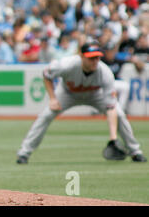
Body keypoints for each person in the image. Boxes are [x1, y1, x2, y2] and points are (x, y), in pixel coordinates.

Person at [16, 42, 147, 164]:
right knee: (45, 115)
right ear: (81, 57)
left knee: (119, 114)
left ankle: (135, 151)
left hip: (95, 95)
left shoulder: (105, 72)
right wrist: (53, 98)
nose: (95, 61)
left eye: (97, 58)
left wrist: (113, 138)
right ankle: (24, 153)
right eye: (91, 58)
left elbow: (111, 108)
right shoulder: (67, 64)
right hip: (68, 93)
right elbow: (47, 74)